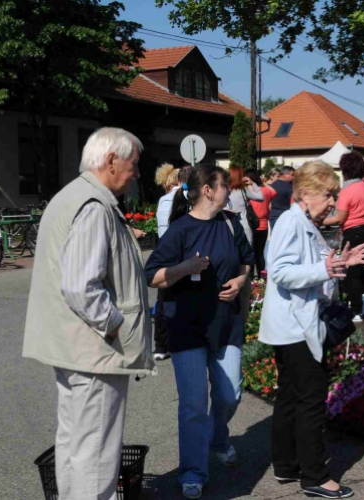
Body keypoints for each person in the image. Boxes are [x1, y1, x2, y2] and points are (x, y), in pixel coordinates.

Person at [23, 127, 155, 500]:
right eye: (134, 163)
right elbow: (81, 287)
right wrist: (115, 326)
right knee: (95, 454)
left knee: (76, 445)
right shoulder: (93, 206)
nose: (137, 173)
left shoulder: (74, 197)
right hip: (94, 352)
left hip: (76, 349)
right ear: (111, 160)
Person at [260, 161, 364, 499]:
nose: (333, 203)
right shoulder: (291, 223)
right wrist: (325, 267)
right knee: (310, 399)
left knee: (291, 397)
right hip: (296, 327)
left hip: (293, 326)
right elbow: (280, 271)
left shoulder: (300, 221)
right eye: (329, 195)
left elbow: (309, 265)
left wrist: (339, 261)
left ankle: (287, 464)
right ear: (306, 194)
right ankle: (314, 476)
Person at [145, 164, 253, 500]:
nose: (229, 190)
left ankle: (218, 439)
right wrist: (184, 269)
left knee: (229, 393)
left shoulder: (231, 223)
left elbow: (247, 261)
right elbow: (152, 275)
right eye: (224, 185)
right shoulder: (180, 230)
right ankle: (192, 471)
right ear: (208, 190)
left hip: (226, 324)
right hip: (187, 327)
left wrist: (240, 280)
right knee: (193, 404)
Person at [323, 151, 364, 322]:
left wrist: (318, 219)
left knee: (352, 273)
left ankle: (356, 310)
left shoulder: (347, 190)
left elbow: (339, 218)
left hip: (354, 232)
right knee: (358, 269)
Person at [152, 164, 191, 360]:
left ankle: (160, 345)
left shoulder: (162, 200)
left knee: (162, 299)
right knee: (183, 298)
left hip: (163, 251)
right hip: (182, 253)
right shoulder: (186, 198)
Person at [245, 168, 275, 276]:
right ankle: (262, 277)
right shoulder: (266, 191)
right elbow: (274, 192)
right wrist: (264, 182)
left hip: (251, 225)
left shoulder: (246, 192)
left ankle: (251, 276)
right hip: (264, 225)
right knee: (260, 253)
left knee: (250, 252)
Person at [228, 165, 264, 246]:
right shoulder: (243, 190)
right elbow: (261, 197)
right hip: (244, 225)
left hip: (229, 225)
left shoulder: (224, 191)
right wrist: (253, 183)